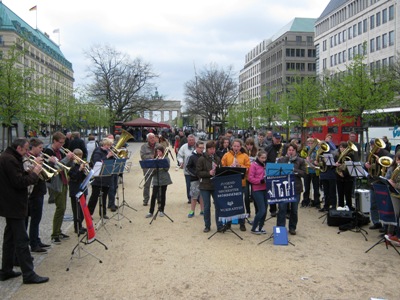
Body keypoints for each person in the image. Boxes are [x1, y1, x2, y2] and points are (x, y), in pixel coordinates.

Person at [0, 138, 49, 284]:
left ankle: (6, 270)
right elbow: (19, 183)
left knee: (9, 238)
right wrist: (34, 173)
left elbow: (16, 178)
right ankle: (28, 274)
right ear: (19, 148)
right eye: (26, 149)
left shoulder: (8, 157)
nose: (28, 152)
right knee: (22, 240)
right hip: (14, 205)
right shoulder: (10, 160)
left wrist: (27, 172)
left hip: (10, 204)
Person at [43, 132, 74, 245]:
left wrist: (71, 159)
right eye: (60, 143)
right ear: (55, 141)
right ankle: (55, 234)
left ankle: (59, 231)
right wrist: (67, 158)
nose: (62, 145)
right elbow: (56, 167)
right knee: (60, 208)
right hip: (56, 183)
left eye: (63, 143)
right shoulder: (48, 151)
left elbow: (66, 166)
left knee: (63, 207)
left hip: (64, 180)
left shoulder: (60, 150)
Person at [26, 138, 50, 253]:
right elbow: (31, 176)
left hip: (40, 191)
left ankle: (36, 239)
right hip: (34, 194)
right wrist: (36, 166)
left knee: (38, 218)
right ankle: (33, 244)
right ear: (33, 147)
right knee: (35, 219)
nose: (42, 150)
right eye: (40, 148)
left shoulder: (37, 159)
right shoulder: (29, 159)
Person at [221, 139, 251, 232]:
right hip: (230, 183)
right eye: (234, 146)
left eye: (238, 146)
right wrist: (230, 167)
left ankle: (242, 223)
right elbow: (222, 167)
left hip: (241, 182)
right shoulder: (227, 155)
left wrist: (239, 166)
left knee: (240, 203)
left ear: (241, 147)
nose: (236, 148)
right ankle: (228, 223)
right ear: (232, 146)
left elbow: (248, 168)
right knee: (229, 203)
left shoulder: (245, 156)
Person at [277, 144, 306, 235]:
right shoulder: (281, 160)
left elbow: (304, 173)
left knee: (294, 209)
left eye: (293, 150)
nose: (291, 152)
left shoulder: (300, 160)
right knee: (282, 208)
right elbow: (276, 172)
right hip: (283, 188)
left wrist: (294, 170)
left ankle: (292, 227)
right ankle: (281, 228)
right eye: (289, 150)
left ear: (296, 151)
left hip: (296, 188)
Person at [365, 138, 391, 230]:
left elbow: (389, 165)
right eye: (372, 145)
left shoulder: (386, 154)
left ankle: (385, 225)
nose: (373, 147)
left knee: (383, 205)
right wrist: (366, 166)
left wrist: (379, 161)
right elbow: (367, 168)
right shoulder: (370, 154)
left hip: (381, 182)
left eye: (374, 145)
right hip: (372, 180)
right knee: (373, 204)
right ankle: (376, 222)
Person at [196, 140, 221, 233]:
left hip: (215, 185)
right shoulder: (201, 159)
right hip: (205, 185)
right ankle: (207, 225)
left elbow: (220, 170)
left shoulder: (217, 158)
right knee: (207, 206)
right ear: (207, 149)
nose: (212, 150)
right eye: (210, 149)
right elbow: (198, 172)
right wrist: (208, 173)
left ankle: (219, 225)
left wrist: (217, 171)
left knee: (218, 205)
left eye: (214, 148)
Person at [88, 138, 115, 219]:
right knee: (94, 197)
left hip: (106, 177)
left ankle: (103, 213)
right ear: (103, 145)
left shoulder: (107, 151)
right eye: (108, 145)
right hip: (98, 178)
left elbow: (111, 163)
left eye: (110, 145)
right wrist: (107, 156)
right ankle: (89, 213)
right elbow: (97, 163)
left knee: (104, 196)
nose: (109, 147)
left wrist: (113, 157)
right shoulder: (98, 152)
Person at [145, 145, 173, 218]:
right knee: (154, 195)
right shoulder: (155, 159)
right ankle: (151, 211)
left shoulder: (166, 159)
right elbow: (152, 171)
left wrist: (162, 162)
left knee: (163, 195)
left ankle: (161, 210)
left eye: (159, 151)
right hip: (156, 178)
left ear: (163, 152)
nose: (158, 153)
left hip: (164, 178)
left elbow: (166, 169)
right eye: (157, 151)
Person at [247, 150, 268, 234]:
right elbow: (250, 178)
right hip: (257, 189)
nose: (264, 159)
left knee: (265, 209)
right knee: (262, 209)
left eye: (265, 158)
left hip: (265, 189)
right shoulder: (253, 165)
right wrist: (260, 181)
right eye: (262, 158)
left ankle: (261, 226)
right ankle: (254, 227)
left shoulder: (266, 165)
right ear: (258, 157)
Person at [264, 132, 284, 217]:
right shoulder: (268, 148)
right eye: (276, 138)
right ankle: (273, 209)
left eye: (279, 138)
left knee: (282, 191)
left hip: (282, 171)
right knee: (271, 191)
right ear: (273, 138)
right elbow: (264, 159)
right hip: (271, 171)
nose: (278, 140)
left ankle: (283, 209)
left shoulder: (284, 147)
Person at [68, 149, 87, 235]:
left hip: (82, 189)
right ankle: (77, 228)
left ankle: (80, 225)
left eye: (81, 156)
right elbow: (74, 177)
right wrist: (79, 170)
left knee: (82, 210)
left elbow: (83, 177)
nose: (80, 158)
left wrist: (85, 171)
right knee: (76, 211)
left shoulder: (80, 165)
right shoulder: (71, 166)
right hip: (75, 190)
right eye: (78, 156)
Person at [185, 141, 205, 218]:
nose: (202, 149)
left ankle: (202, 210)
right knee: (194, 195)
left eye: (203, 148)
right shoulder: (191, 156)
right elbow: (187, 167)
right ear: (196, 147)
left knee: (202, 195)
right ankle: (192, 211)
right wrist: (195, 174)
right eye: (200, 148)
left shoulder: (204, 156)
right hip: (194, 178)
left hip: (203, 178)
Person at [140, 133, 159, 206]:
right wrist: (152, 156)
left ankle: (158, 199)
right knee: (147, 185)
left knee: (157, 185)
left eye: (153, 137)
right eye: (151, 138)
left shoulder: (158, 146)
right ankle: (145, 200)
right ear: (148, 139)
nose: (152, 139)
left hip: (157, 168)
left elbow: (163, 155)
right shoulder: (143, 147)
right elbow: (143, 156)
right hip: (147, 168)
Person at [302, 138, 321, 208]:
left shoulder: (317, 150)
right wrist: (306, 158)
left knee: (316, 188)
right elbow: (301, 158)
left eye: (311, 143)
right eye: (309, 143)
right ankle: (306, 201)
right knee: (306, 187)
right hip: (307, 171)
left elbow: (320, 159)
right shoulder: (304, 150)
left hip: (315, 171)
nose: (310, 145)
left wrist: (317, 161)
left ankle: (317, 202)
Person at [335, 142, 355, 209]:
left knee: (348, 194)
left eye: (343, 147)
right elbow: (334, 166)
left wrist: (344, 173)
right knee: (340, 193)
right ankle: (340, 207)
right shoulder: (337, 156)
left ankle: (348, 207)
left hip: (348, 177)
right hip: (339, 177)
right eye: (340, 147)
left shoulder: (350, 156)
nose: (342, 149)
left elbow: (351, 167)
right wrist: (336, 164)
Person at [177, 134, 196, 204]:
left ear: (195, 140)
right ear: (187, 140)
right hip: (187, 170)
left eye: (192, 140)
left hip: (197, 170)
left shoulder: (198, 146)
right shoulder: (184, 147)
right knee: (189, 185)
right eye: (189, 140)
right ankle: (190, 197)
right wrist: (181, 162)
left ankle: (198, 198)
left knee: (198, 184)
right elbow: (179, 155)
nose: (191, 141)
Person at [106, 134, 118, 212]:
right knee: (111, 187)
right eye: (109, 139)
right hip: (108, 169)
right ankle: (112, 204)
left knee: (115, 186)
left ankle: (111, 203)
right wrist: (108, 155)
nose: (111, 141)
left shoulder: (114, 148)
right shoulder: (104, 149)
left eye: (112, 139)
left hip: (115, 168)